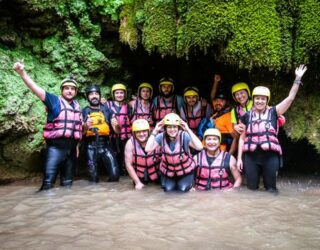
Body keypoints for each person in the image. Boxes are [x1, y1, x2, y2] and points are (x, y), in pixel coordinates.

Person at [13, 60, 82, 191]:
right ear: (61, 90)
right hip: (55, 149)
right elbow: (35, 89)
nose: (69, 91)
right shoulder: (53, 101)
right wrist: (22, 72)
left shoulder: (77, 106)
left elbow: (77, 129)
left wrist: (77, 146)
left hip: (71, 151)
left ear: (76, 92)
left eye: (72, 89)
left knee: (68, 185)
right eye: (66, 88)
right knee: (47, 185)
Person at [237, 65, 307, 192]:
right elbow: (242, 138)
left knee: (271, 189)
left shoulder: (275, 112)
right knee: (251, 190)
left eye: (263, 99)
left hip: (270, 156)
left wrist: (297, 78)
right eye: (257, 98)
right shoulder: (246, 116)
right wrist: (239, 159)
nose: (259, 101)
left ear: (267, 100)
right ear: (253, 99)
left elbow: (290, 98)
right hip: (251, 157)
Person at [145, 113, 203, 192]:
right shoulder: (161, 136)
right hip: (168, 173)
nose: (172, 130)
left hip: (185, 172)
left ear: (179, 127)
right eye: (169, 127)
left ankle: (189, 184)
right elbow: (148, 149)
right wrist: (155, 130)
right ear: (165, 128)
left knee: (182, 190)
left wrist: (188, 129)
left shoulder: (184, 136)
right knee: (168, 191)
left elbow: (199, 147)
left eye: (175, 127)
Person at [82, 85, 120, 183]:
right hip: (90, 147)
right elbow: (81, 133)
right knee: (93, 180)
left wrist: (116, 125)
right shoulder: (84, 111)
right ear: (87, 97)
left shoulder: (107, 110)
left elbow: (118, 131)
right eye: (91, 94)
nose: (94, 96)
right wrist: (86, 125)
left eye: (96, 94)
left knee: (115, 177)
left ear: (99, 96)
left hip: (106, 146)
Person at [125, 119, 161, 190]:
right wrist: (137, 182)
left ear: (148, 131)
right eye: (138, 132)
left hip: (157, 176)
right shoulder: (130, 143)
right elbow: (128, 164)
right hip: (140, 177)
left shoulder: (156, 140)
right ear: (134, 133)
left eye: (144, 131)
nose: (141, 134)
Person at [198, 89, 237, 154]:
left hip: (220, 154)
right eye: (215, 100)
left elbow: (235, 138)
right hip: (206, 151)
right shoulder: (215, 115)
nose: (218, 103)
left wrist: (229, 156)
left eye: (221, 101)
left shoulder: (228, 116)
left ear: (227, 102)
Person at [105, 83, 132, 175]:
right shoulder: (107, 105)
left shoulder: (128, 107)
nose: (119, 95)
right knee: (114, 156)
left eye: (121, 93)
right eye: (117, 93)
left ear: (125, 94)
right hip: (112, 137)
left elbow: (131, 120)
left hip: (125, 137)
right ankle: (114, 172)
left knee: (124, 156)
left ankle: (124, 172)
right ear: (113, 94)